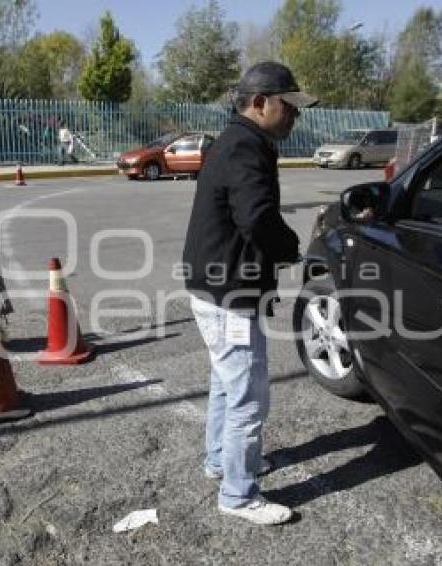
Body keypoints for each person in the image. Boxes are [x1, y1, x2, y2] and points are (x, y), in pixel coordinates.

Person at [182, 61, 317, 525]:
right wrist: (294, 251)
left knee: (227, 383)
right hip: (229, 294)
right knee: (249, 398)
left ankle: (220, 461)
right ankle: (238, 496)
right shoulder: (245, 146)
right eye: (289, 106)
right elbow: (256, 216)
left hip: (216, 288)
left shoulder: (236, 140)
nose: (295, 116)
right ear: (260, 103)